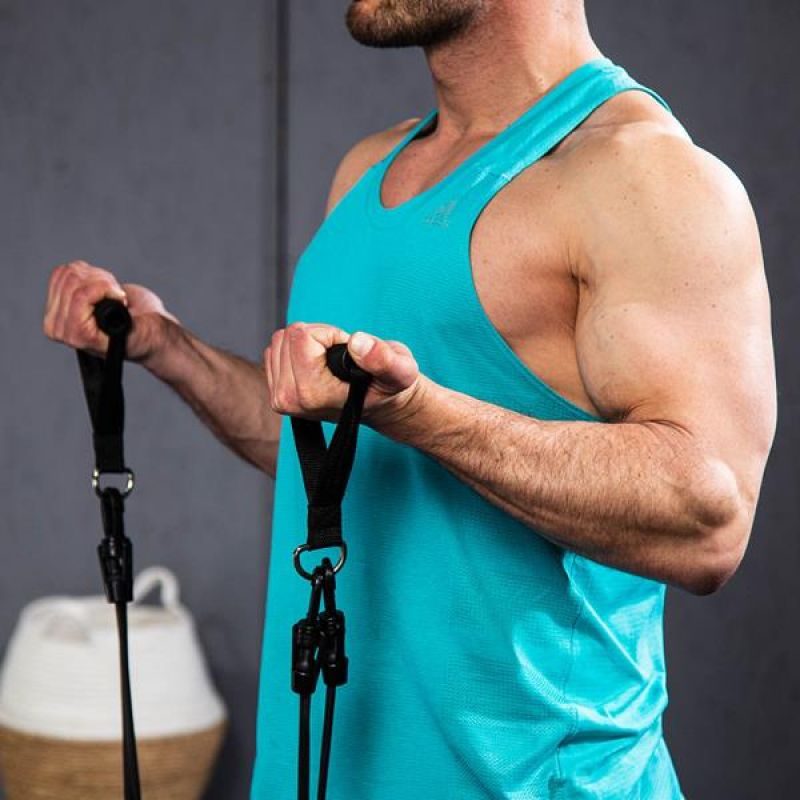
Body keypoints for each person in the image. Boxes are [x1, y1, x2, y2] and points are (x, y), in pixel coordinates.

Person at [43, 0, 777, 797]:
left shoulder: (645, 176)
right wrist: (167, 348)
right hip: (320, 773)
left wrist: (422, 413)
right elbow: (352, 461)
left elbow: (709, 522)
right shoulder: (369, 170)